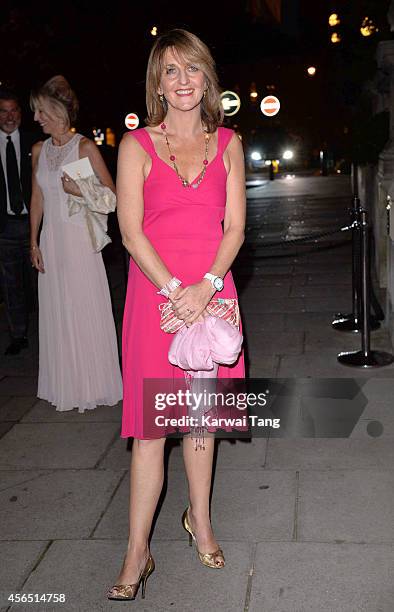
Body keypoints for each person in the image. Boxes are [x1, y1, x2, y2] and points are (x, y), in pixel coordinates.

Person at [108, 29, 246, 601]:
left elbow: (236, 228)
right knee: (150, 430)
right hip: (156, 300)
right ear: (157, 84)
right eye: (171, 71)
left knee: (200, 422)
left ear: (207, 78)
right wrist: (175, 293)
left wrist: (207, 287)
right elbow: (131, 231)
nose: (184, 81)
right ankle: (138, 549)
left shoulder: (229, 142)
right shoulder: (136, 146)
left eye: (193, 69)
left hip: (214, 292)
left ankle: (201, 521)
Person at [29, 75, 122, 411]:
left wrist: (78, 189)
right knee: (57, 310)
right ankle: (65, 384)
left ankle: (93, 383)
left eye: (40, 110)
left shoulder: (84, 147)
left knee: (83, 308)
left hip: (80, 241)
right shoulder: (38, 150)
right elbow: (37, 198)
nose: (36, 118)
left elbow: (112, 197)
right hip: (52, 240)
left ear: (56, 109)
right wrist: (33, 242)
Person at [0, 89, 38, 355]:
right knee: (11, 285)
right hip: (4, 228)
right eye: (3, 111)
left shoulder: (34, 142)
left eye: (13, 110)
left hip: (34, 225)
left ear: (21, 114)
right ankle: (18, 335)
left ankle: (45, 331)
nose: (9, 116)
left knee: (38, 284)